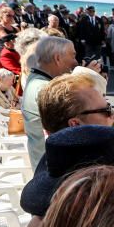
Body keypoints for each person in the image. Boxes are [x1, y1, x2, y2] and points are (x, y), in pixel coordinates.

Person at [22, 36, 80, 169]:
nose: (75, 62)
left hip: (44, 162)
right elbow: (77, 123)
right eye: (73, 56)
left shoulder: (36, 80)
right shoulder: (44, 88)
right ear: (57, 58)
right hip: (53, 168)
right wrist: (91, 79)